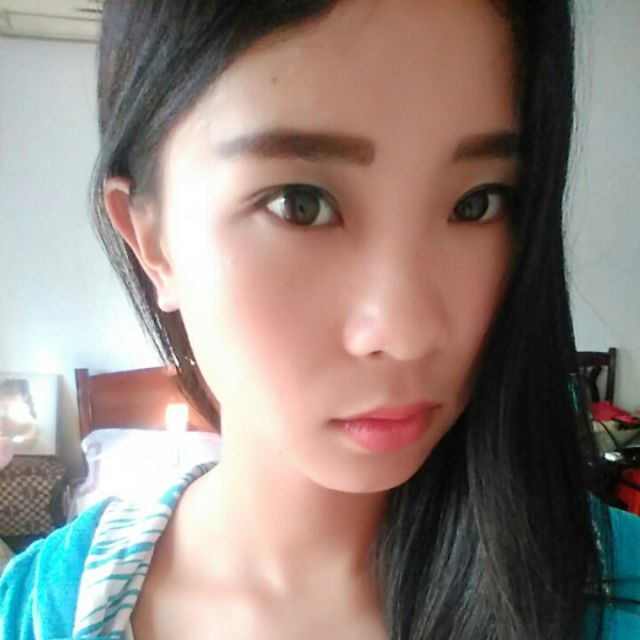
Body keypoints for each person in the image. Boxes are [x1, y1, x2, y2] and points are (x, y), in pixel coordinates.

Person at [2, 1, 639, 638]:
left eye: (478, 203)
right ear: (153, 243)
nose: (406, 332)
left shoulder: (619, 593)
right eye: (299, 204)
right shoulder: (37, 611)